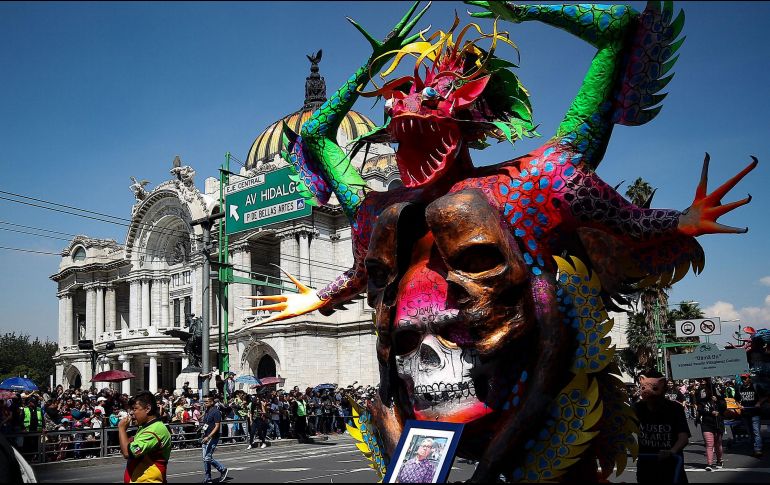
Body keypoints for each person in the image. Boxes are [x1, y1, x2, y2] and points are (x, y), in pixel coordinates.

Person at [633, 370, 690, 483]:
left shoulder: (675, 409)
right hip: (646, 468)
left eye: (654, 389)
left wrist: (672, 451)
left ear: (664, 390)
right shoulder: (637, 409)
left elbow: (683, 437)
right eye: (644, 388)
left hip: (671, 467)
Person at [118, 390, 172, 483]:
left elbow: (127, 452)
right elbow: (126, 448)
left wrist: (121, 429)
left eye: (135, 409)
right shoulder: (145, 427)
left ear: (147, 408)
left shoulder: (154, 430)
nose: (132, 413)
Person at [696, 378, 727, 471]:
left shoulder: (718, 396)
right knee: (709, 444)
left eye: (705, 385)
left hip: (717, 423)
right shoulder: (701, 397)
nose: (703, 389)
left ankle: (719, 460)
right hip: (706, 423)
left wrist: (717, 401)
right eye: (702, 385)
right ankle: (709, 463)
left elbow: (724, 407)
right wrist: (710, 412)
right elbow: (700, 409)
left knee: (718, 444)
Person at [200, 395, 228, 483]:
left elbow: (217, 426)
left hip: (212, 437)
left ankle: (222, 469)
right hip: (205, 436)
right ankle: (208, 477)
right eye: (204, 402)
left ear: (212, 402)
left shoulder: (216, 412)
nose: (205, 403)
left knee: (207, 457)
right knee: (205, 458)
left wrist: (209, 437)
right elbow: (206, 423)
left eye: (206, 402)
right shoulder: (207, 411)